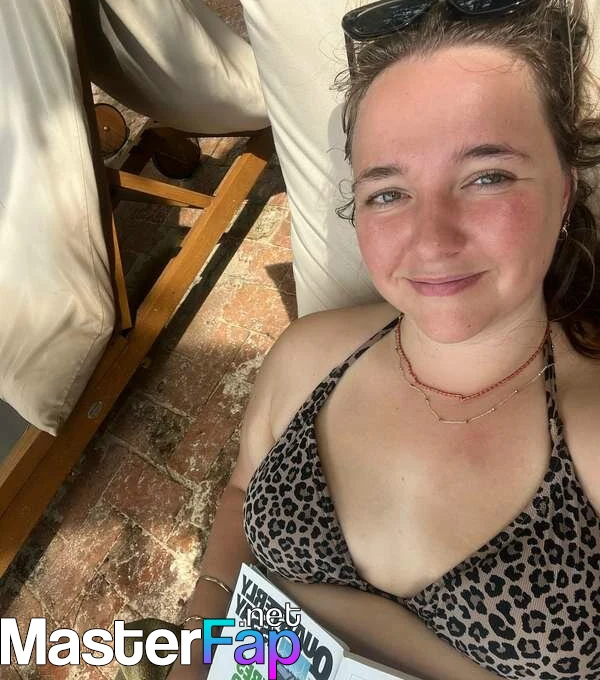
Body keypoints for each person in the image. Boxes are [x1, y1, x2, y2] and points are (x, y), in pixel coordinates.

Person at [169, 1, 600, 678]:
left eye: (486, 177)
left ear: (566, 191)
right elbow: (239, 497)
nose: (431, 241)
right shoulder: (307, 358)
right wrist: (197, 646)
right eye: (389, 193)